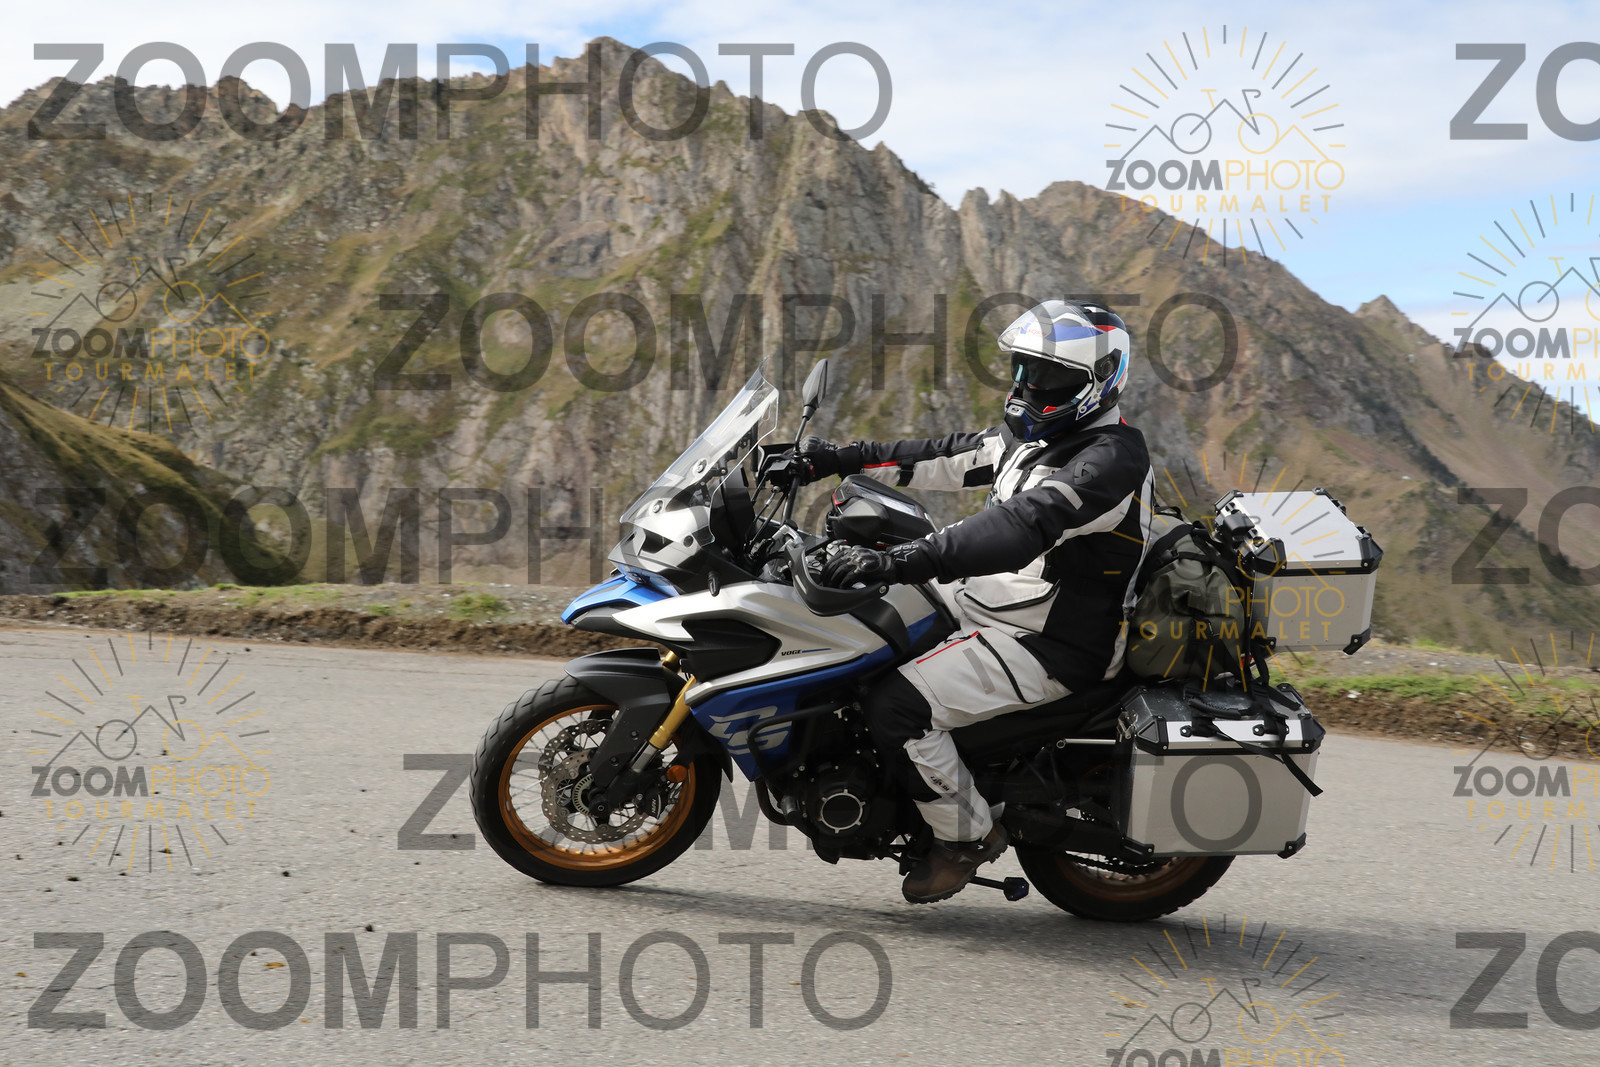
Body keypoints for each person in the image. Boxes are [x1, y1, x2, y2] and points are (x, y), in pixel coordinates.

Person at [796, 300, 1155, 903]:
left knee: (897, 706)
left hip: (1052, 641)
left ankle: (964, 837)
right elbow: (950, 454)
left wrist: (900, 559)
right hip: (998, 602)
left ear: (1101, 380)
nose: (1031, 387)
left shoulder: (1108, 461)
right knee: (859, 631)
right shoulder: (1037, 434)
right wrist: (837, 458)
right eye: (1024, 370)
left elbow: (1020, 526)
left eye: (1051, 377)